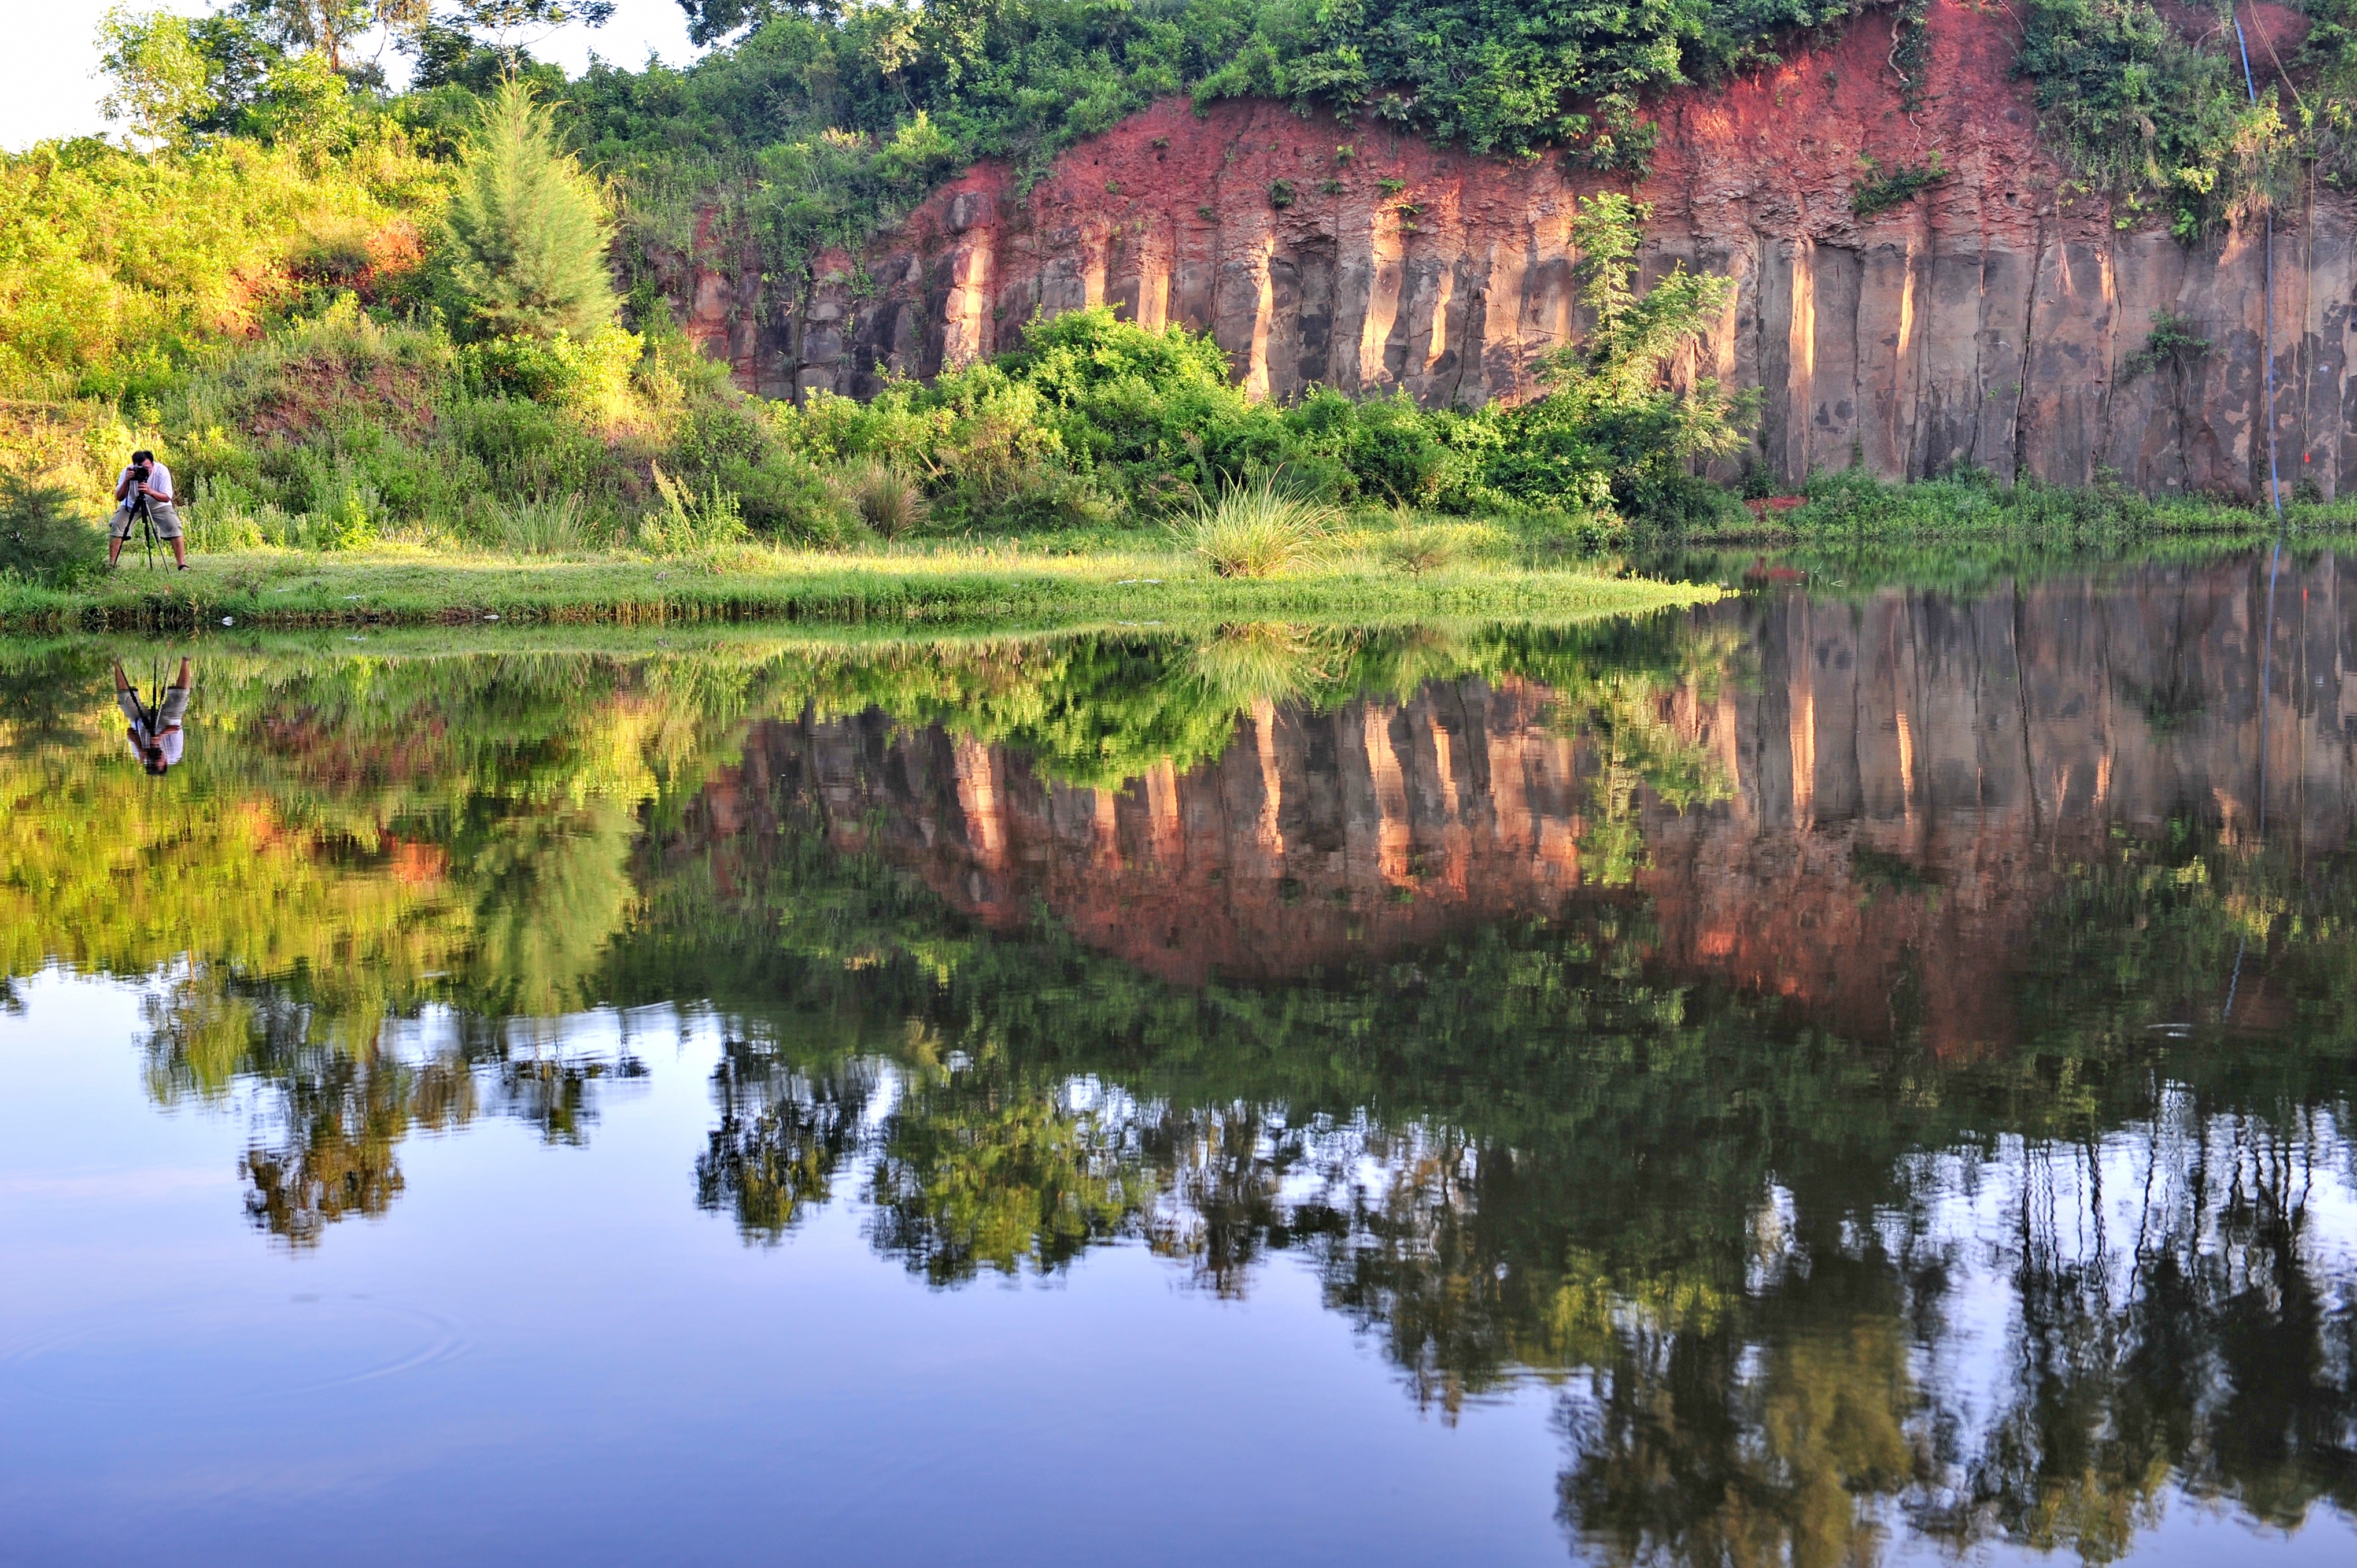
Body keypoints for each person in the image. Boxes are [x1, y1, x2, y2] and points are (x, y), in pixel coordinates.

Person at [108, 449, 188, 569]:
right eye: (139, 468)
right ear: (134, 465)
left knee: (174, 526)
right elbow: (119, 497)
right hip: (132, 504)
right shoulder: (127, 471)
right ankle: (112, 564)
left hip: (158, 505)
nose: (143, 471)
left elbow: (166, 497)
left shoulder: (162, 471)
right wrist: (126, 481)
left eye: (147, 468)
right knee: (117, 525)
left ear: (153, 464)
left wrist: (150, 491)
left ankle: (182, 564)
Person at [116, 657, 192, 776]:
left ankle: (116, 662)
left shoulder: (141, 756)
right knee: (181, 698)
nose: (155, 754)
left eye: (152, 758)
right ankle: (186, 660)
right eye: (158, 758)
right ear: (165, 762)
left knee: (125, 701)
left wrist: (140, 747)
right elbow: (176, 729)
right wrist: (160, 736)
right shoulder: (174, 754)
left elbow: (130, 731)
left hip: (142, 720)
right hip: (168, 720)